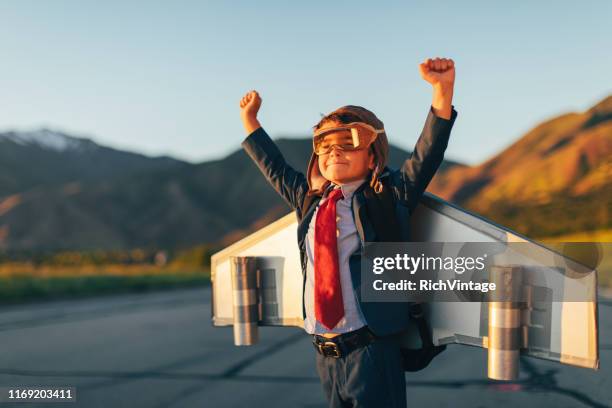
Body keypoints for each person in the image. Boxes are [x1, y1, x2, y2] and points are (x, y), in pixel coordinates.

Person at [239, 57, 457, 408]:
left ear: (373, 158)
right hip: (324, 353)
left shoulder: (387, 196)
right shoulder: (310, 200)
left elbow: (426, 155)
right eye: (325, 146)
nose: (334, 151)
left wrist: (441, 91)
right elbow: (274, 168)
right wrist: (251, 122)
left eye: (348, 142)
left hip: (369, 347)